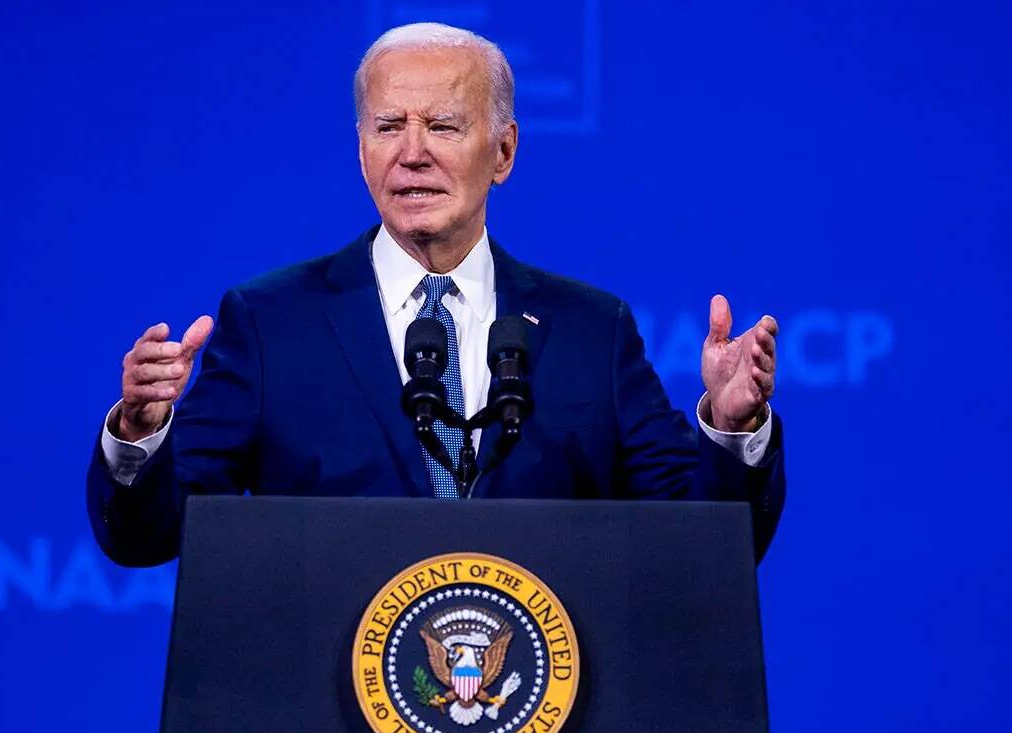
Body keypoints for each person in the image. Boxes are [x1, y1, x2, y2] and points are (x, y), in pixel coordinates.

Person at [86, 23, 785, 567]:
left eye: (443, 126)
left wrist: (730, 431)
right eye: (389, 127)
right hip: (327, 729)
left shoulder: (592, 332)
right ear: (361, 151)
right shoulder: (270, 323)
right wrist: (141, 435)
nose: (412, 153)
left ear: (504, 152)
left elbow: (701, 545)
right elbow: (151, 537)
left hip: (545, 729)